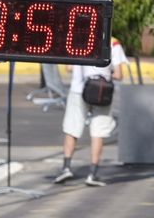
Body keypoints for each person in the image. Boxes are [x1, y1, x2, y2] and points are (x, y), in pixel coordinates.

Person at [54, 35, 130, 187]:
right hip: (102, 92)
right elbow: (119, 75)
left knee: (72, 129)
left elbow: (68, 68)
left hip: (78, 90)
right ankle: (92, 174)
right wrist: (104, 73)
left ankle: (66, 168)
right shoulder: (113, 43)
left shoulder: (78, 39)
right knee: (98, 132)